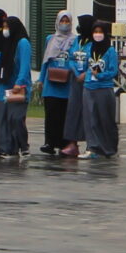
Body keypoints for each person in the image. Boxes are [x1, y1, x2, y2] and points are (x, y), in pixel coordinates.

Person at [0, 13, 35, 157]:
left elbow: (25, 66)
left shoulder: (23, 43)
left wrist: (19, 83)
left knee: (15, 118)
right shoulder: (5, 43)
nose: (5, 29)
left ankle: (22, 145)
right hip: (3, 84)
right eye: (4, 26)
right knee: (2, 118)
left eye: (7, 26)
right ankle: (5, 148)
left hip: (18, 86)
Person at [75, 20, 121, 156]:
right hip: (89, 87)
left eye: (100, 32)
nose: (97, 35)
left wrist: (101, 75)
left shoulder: (110, 51)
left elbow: (113, 71)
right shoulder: (90, 48)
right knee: (90, 119)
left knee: (105, 119)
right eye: (95, 32)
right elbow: (85, 65)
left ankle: (108, 148)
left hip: (104, 88)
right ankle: (92, 147)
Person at [39, 12, 77, 155]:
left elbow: (76, 59)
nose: (65, 23)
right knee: (51, 114)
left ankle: (64, 143)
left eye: (67, 21)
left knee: (65, 114)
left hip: (67, 82)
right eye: (62, 20)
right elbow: (45, 60)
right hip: (51, 83)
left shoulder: (75, 40)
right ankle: (49, 142)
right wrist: (41, 79)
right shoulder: (51, 38)